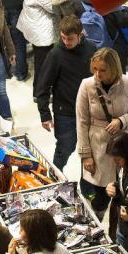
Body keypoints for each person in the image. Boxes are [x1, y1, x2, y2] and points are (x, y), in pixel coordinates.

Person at [76, 47, 128, 217]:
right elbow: (81, 121)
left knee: (123, 192)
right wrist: (86, 155)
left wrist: (122, 121)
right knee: (98, 195)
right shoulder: (87, 85)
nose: (97, 74)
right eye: (95, 69)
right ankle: (97, 222)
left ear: (114, 68)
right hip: (98, 148)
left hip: (124, 148)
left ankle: (118, 227)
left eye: (103, 70)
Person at [34, 15, 96, 171]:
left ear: (80, 35)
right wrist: (45, 114)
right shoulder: (56, 54)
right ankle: (54, 178)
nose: (66, 42)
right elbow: (43, 86)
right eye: (63, 38)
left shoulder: (91, 50)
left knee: (90, 153)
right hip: (65, 113)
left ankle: (87, 187)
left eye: (70, 39)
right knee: (65, 149)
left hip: (90, 111)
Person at [9, 0, 60, 79]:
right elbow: (54, 8)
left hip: (31, 22)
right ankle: (39, 92)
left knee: (39, 58)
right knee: (43, 63)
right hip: (42, 28)